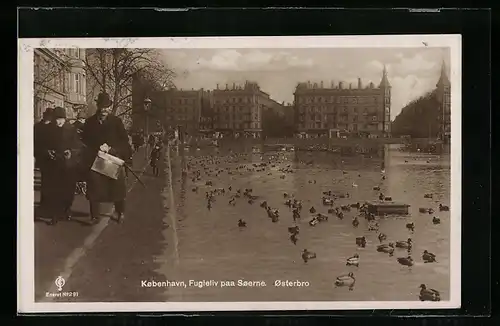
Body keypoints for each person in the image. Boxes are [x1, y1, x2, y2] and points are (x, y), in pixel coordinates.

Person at [81, 92, 132, 225]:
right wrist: (95, 150)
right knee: (94, 188)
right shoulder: (89, 122)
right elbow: (84, 142)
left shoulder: (116, 122)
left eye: (107, 107)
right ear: (98, 106)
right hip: (95, 159)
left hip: (112, 160)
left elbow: (124, 142)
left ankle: (120, 212)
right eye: (102, 107)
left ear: (110, 107)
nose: (104, 110)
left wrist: (111, 149)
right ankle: (94, 216)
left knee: (117, 188)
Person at [39, 107, 83, 225]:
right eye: (56, 119)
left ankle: (67, 209)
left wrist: (71, 152)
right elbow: (42, 144)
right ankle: (55, 216)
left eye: (61, 119)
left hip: (68, 165)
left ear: (65, 119)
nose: (58, 122)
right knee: (54, 190)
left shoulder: (72, 129)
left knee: (68, 190)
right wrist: (47, 151)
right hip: (53, 164)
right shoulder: (48, 130)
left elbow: (78, 147)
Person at [34, 107, 53, 217]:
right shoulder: (38, 127)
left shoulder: (50, 127)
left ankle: (47, 203)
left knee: (49, 182)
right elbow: (35, 143)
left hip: (51, 157)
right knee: (46, 181)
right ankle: (44, 203)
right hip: (43, 157)